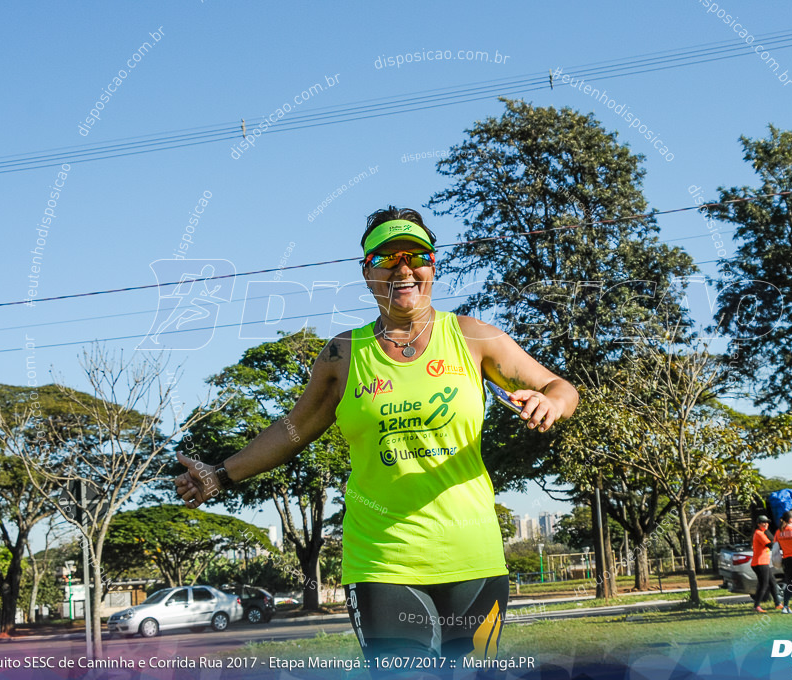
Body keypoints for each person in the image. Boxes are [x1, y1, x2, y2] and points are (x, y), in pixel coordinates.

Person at [174, 207, 579, 673]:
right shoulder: (343, 355)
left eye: (416, 256)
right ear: (367, 272)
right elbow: (291, 431)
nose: (403, 268)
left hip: (473, 558)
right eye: (387, 258)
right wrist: (221, 475)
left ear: (433, 266)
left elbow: (561, 387)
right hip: (382, 561)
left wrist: (552, 404)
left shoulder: (473, 338)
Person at [751, 516, 781, 613]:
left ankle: (777, 603)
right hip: (759, 563)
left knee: (772, 582)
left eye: (767, 522)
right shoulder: (759, 533)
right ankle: (756, 606)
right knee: (763, 585)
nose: (766, 524)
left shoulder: (762, 532)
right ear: (758, 524)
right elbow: (770, 544)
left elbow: (771, 541)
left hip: (763, 562)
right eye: (763, 522)